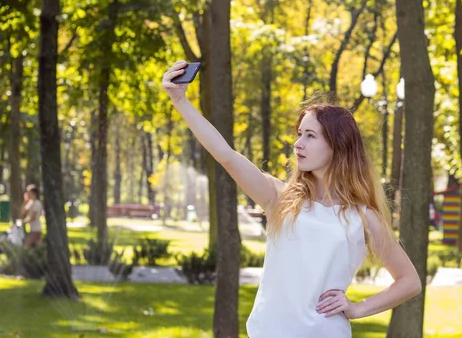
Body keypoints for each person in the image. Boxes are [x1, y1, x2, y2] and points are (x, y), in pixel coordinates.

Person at [162, 61, 421, 338]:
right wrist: (180, 101)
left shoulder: (363, 217)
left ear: (338, 146)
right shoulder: (280, 198)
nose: (298, 143)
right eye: (299, 134)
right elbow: (225, 155)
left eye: (310, 136)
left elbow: (409, 281)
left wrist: (357, 308)